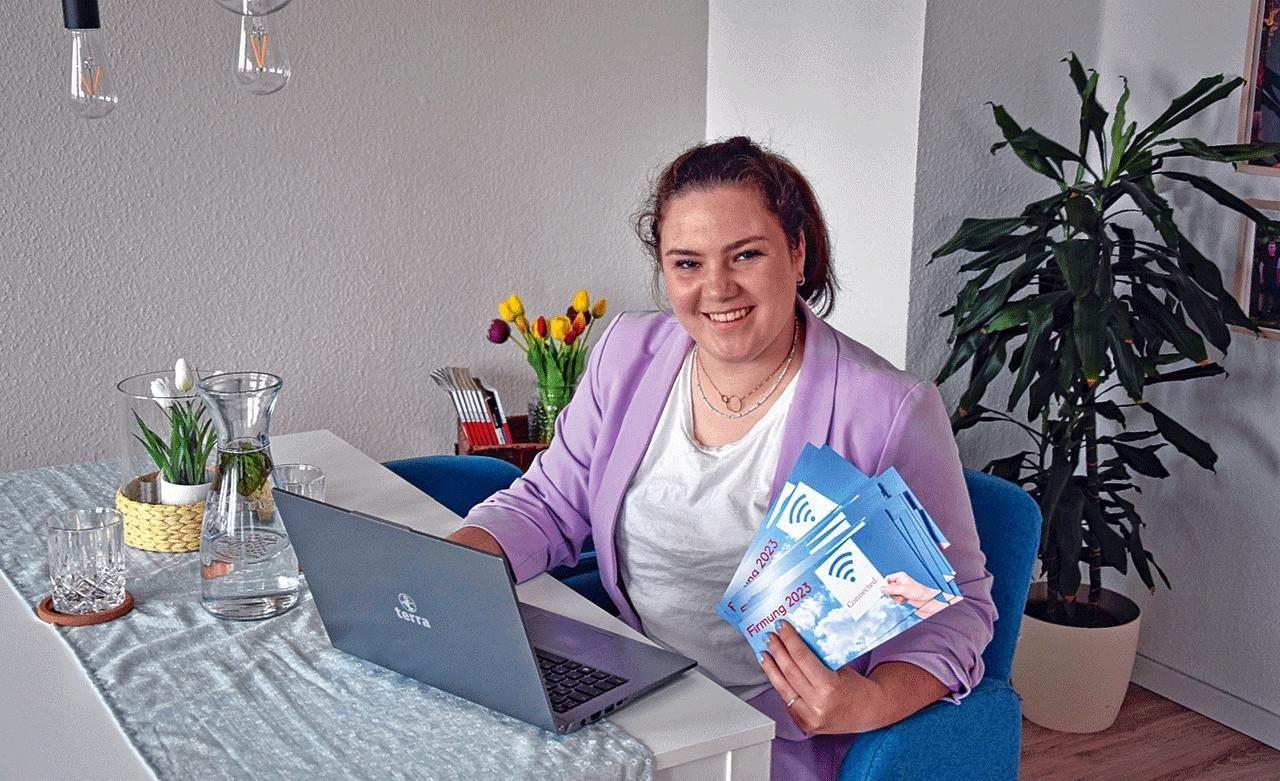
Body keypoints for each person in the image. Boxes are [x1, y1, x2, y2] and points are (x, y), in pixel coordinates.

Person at [449, 136, 996, 780]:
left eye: (746, 254)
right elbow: (548, 502)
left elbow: (959, 607)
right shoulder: (627, 354)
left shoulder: (887, 408)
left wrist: (868, 702)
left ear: (797, 252)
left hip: (768, 732)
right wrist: (443, 566)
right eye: (687, 263)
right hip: (630, 688)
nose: (717, 288)